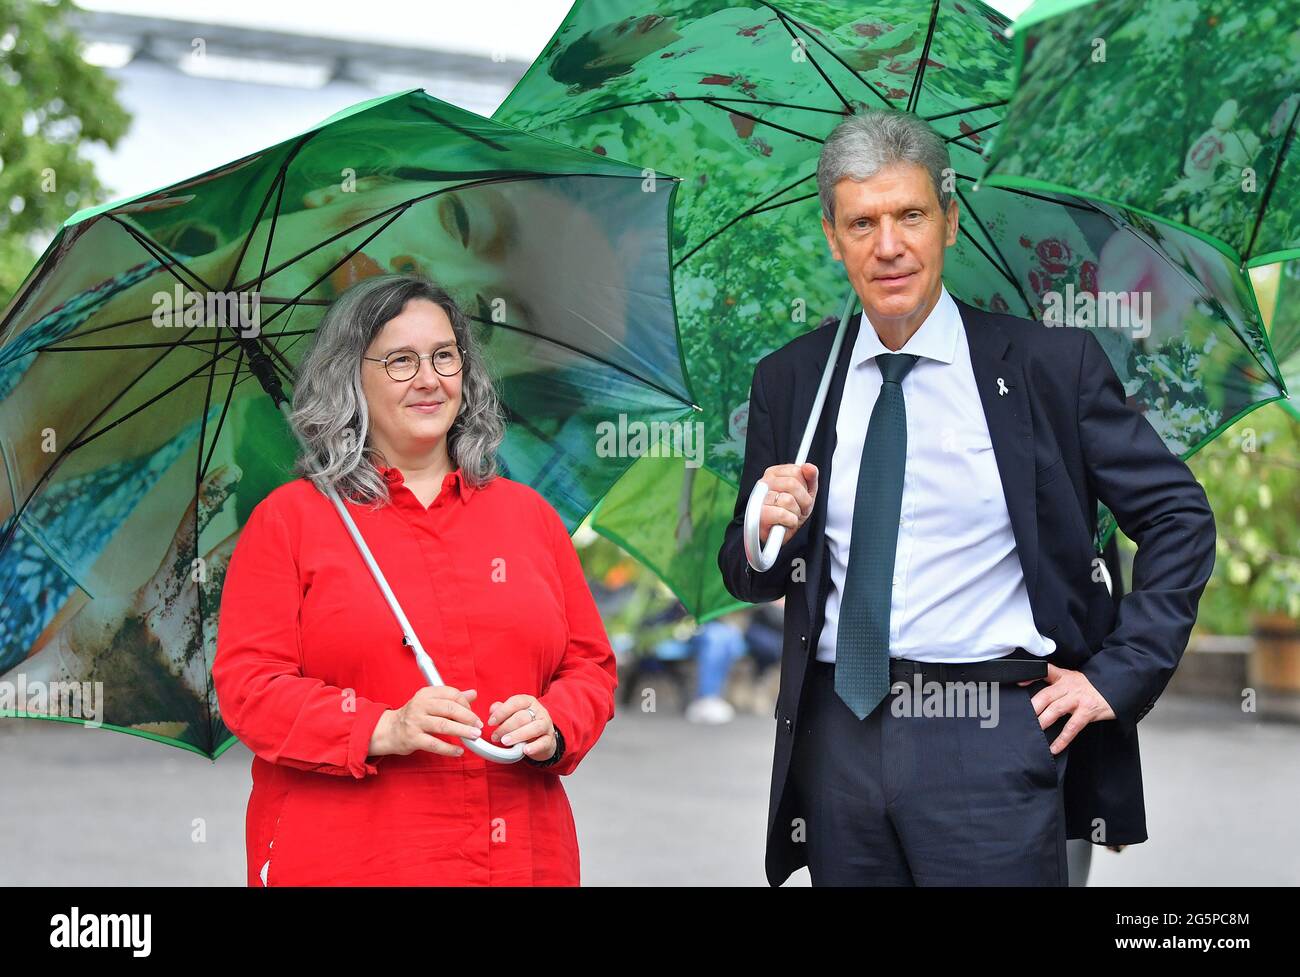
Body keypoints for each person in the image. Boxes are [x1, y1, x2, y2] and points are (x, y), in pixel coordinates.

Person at [717, 109, 1216, 886]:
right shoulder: (792, 380)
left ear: (948, 220)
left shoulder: (1052, 366)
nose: (889, 245)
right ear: (832, 235)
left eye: (910, 214)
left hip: (993, 732)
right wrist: (759, 525)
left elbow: (1178, 515)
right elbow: (748, 574)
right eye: (863, 222)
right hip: (837, 741)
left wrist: (1120, 673)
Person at [213, 273, 618, 886]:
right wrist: (382, 727)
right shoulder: (292, 522)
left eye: (443, 356)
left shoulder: (527, 516)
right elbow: (250, 687)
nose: (428, 379)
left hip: (518, 857)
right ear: (351, 376)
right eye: (401, 361)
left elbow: (589, 665)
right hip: (357, 857)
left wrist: (556, 722)